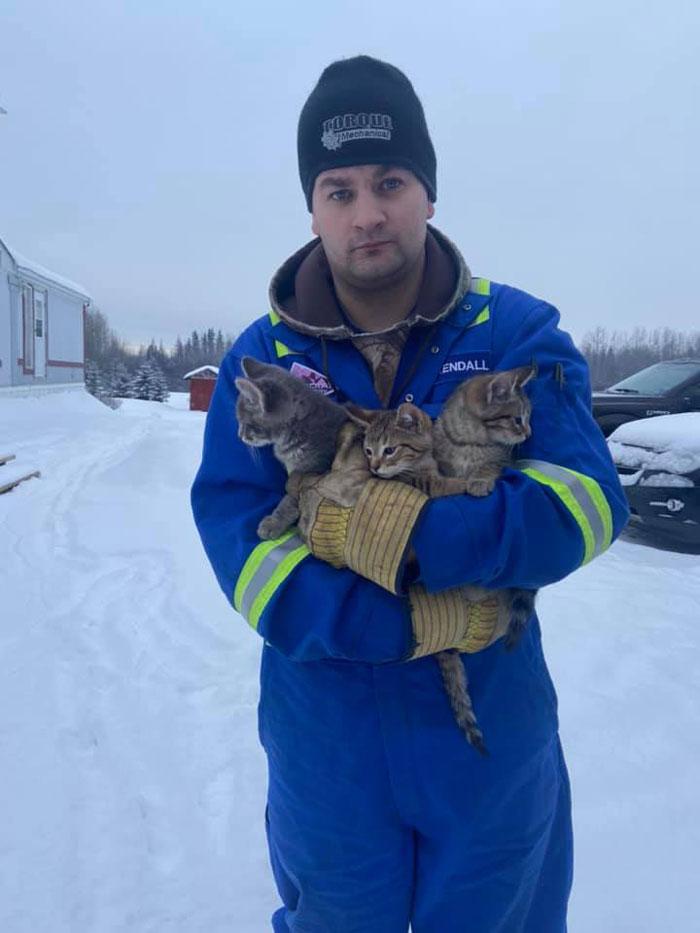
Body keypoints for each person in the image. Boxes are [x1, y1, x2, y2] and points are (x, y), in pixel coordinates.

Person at [191, 55, 629, 933]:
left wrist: (433, 539)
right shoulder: (260, 361)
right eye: (338, 189)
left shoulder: (515, 330)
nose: (368, 212)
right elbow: (237, 530)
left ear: (428, 190)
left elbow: (586, 498)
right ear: (312, 207)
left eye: (389, 181)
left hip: (490, 732)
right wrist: (378, 623)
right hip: (329, 732)